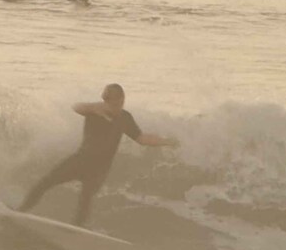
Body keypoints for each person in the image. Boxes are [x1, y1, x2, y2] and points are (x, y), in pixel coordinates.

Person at [18, 84, 178, 226]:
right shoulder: (95, 110)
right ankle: (21, 210)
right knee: (46, 181)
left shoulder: (125, 117)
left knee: (85, 200)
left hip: (100, 170)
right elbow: (76, 107)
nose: (117, 107)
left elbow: (142, 138)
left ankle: (76, 231)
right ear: (106, 101)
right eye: (113, 103)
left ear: (123, 99)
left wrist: (167, 141)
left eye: (120, 102)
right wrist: (92, 108)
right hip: (79, 161)